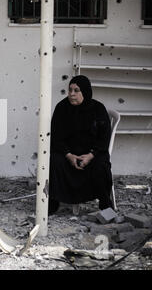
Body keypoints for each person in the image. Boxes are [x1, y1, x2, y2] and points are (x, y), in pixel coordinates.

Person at [48, 75, 113, 215]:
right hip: (68, 155)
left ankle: (105, 205)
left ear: (85, 91)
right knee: (53, 160)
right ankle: (52, 203)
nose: (71, 94)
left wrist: (91, 155)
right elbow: (55, 136)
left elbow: (104, 138)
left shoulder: (98, 109)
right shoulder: (62, 108)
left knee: (101, 165)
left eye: (76, 90)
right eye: (70, 90)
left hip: (91, 154)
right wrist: (68, 155)